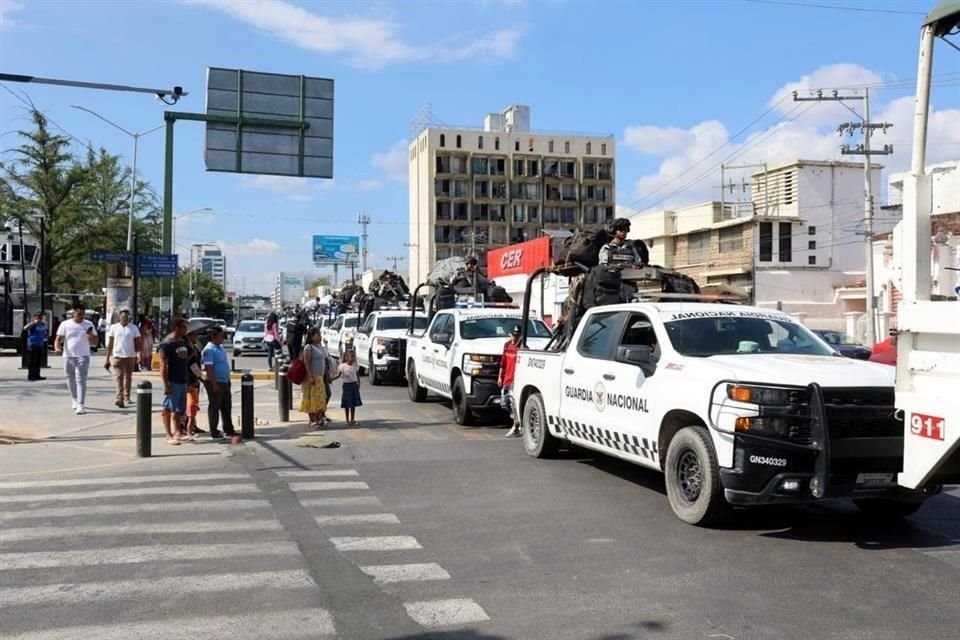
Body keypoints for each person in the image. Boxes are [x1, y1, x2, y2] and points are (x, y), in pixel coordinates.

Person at [54, 303, 98, 415]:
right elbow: (58, 338)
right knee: (70, 378)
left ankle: (81, 404)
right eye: (79, 314)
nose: (81, 316)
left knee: (81, 379)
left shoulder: (89, 324)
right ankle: (74, 399)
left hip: (83, 355)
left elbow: (95, 341)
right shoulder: (65, 324)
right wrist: (57, 347)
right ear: (73, 313)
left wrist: (90, 335)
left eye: (83, 314)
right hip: (68, 355)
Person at [202, 326, 237, 440]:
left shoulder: (220, 347)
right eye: (221, 336)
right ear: (213, 336)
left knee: (226, 406)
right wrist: (214, 384)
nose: (223, 338)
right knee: (215, 406)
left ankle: (228, 429)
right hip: (215, 382)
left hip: (225, 381)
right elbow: (209, 368)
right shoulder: (208, 350)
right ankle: (214, 430)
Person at [159, 318, 190, 445]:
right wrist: (165, 383)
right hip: (172, 379)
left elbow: (186, 359)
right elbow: (163, 365)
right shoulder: (167, 343)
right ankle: (168, 434)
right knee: (169, 407)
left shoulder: (182, 341)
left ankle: (178, 432)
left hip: (182, 379)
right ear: (176, 328)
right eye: (184, 328)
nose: (186, 330)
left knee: (179, 409)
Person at [104, 309, 141, 408]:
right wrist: (107, 358)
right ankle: (119, 398)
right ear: (119, 317)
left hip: (130, 355)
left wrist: (138, 354)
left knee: (128, 377)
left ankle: (126, 397)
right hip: (117, 355)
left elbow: (137, 342)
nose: (125, 318)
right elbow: (110, 344)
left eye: (126, 316)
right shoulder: (114, 328)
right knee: (119, 377)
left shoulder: (133, 328)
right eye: (123, 316)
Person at [299, 328, 329, 429]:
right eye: (318, 335)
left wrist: (326, 374)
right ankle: (312, 420)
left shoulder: (320, 346)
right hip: (311, 377)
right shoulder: (308, 347)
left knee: (320, 398)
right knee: (311, 399)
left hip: (320, 376)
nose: (320, 336)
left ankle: (318, 418)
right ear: (312, 337)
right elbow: (306, 363)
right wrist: (311, 376)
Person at [498, 325, 522, 438]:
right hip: (506, 378)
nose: (515, 337)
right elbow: (503, 363)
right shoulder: (507, 346)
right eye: (514, 335)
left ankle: (516, 425)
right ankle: (516, 420)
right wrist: (499, 377)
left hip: (515, 380)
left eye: (517, 335)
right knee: (504, 403)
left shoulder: (522, 347)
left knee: (513, 403)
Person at [332, 349, 362, 426]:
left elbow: (357, 374)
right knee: (347, 404)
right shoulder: (342, 366)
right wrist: (331, 379)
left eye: (354, 356)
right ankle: (347, 420)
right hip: (346, 386)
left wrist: (358, 383)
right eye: (351, 356)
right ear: (346, 357)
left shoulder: (355, 365)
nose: (353, 358)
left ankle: (352, 419)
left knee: (353, 404)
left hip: (354, 385)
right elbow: (338, 375)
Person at [24, 312, 48, 381]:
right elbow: (25, 328)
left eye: (40, 318)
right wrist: (33, 323)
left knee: (38, 361)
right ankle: (31, 376)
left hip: (40, 344)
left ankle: (37, 375)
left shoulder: (42, 324)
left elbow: (45, 332)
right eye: (37, 318)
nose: (39, 319)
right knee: (32, 361)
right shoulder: (33, 324)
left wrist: (45, 338)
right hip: (32, 344)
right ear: (34, 318)